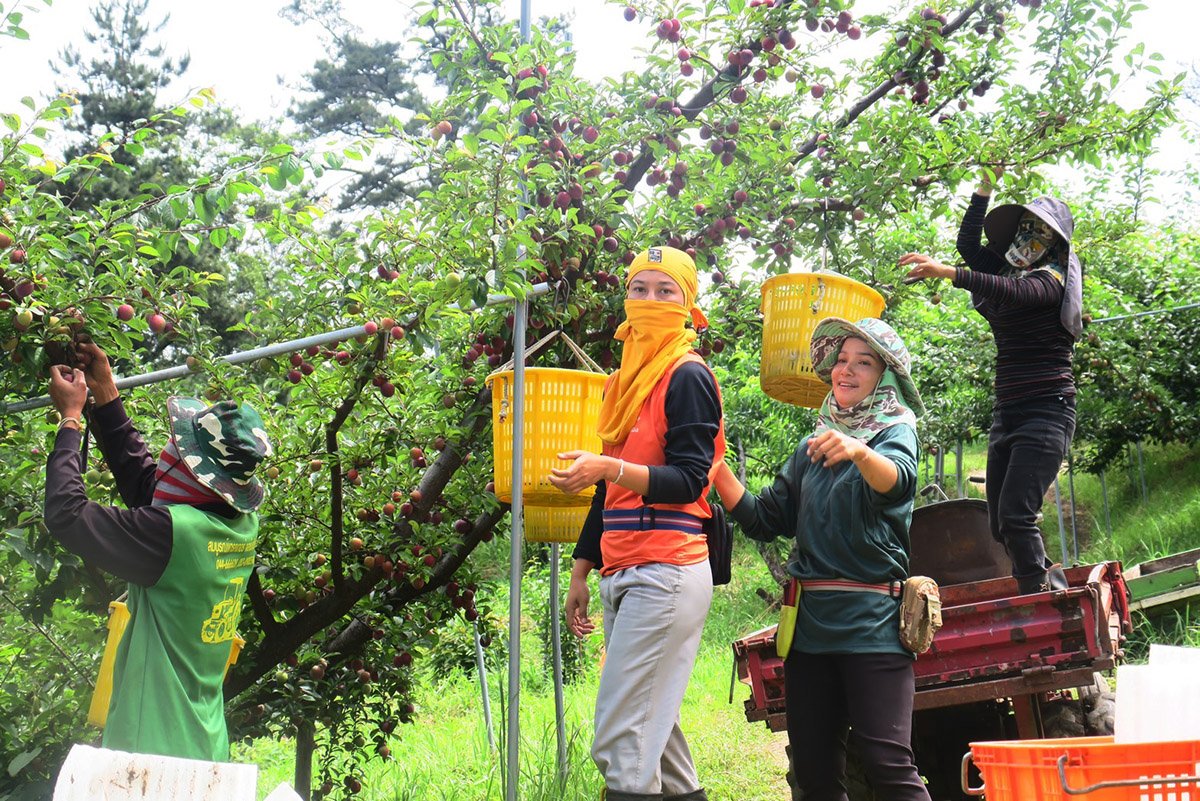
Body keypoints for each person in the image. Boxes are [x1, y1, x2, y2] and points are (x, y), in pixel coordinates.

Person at [712, 316, 928, 801]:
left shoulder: (895, 432)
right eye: (842, 360)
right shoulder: (812, 446)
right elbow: (766, 518)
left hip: (872, 624)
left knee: (886, 763)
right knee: (813, 772)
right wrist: (716, 470)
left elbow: (899, 481)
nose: (846, 371)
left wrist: (857, 451)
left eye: (864, 363)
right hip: (809, 629)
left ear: (886, 377)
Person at [550, 246, 723, 801]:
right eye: (640, 289)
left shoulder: (686, 375)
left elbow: (692, 479)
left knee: (622, 739)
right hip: (624, 566)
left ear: (687, 301)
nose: (649, 300)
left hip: (666, 569)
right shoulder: (623, 382)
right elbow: (609, 491)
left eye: (665, 290)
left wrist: (611, 464)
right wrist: (582, 570)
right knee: (656, 732)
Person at [44, 341, 272, 762]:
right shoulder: (238, 524)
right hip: (205, 742)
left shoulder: (170, 536)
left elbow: (66, 514)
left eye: (176, 449)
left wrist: (71, 421)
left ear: (192, 472)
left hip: (150, 757)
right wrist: (106, 394)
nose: (166, 452)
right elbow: (150, 491)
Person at [899, 173, 1082, 594]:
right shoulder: (1010, 270)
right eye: (1026, 230)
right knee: (1000, 524)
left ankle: (1038, 599)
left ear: (1055, 243)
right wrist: (983, 187)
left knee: (1018, 515)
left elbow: (1012, 293)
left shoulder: (1050, 282)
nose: (1029, 239)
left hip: (1047, 409)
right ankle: (1046, 581)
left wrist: (948, 273)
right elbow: (967, 245)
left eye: (1040, 233)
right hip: (1009, 411)